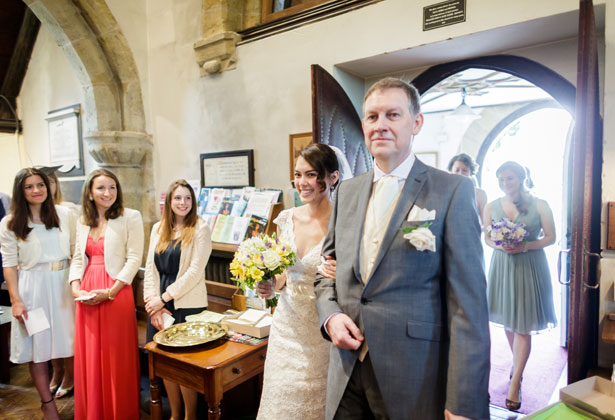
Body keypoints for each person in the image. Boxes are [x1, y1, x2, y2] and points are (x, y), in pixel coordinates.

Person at [314, 77, 491, 420]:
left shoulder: (452, 191)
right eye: (372, 117)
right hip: (347, 368)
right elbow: (326, 272)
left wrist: (463, 401)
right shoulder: (347, 192)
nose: (380, 125)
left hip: (414, 374)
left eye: (393, 115)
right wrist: (330, 316)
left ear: (416, 123)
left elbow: (467, 307)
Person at [255, 143, 345, 420]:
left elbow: (356, 276)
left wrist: (341, 272)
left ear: (332, 177)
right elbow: (284, 274)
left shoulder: (343, 221)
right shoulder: (286, 218)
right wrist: (270, 285)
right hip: (286, 326)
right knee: (280, 401)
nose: (301, 183)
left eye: (310, 174)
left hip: (322, 330)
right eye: (297, 174)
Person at [0, 167, 75, 420]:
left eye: (40, 185)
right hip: (33, 289)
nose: (36, 190)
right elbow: (9, 263)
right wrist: (16, 300)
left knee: (72, 343)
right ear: (20, 191)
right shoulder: (10, 223)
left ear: (48, 187)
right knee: (38, 349)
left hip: (64, 286)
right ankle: (47, 403)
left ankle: (82, 394)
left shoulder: (65, 214)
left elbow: (77, 250)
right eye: (29, 186)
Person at [69, 168, 144, 420]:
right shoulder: (83, 220)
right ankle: (94, 412)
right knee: (91, 355)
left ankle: (118, 411)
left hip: (116, 290)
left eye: (112, 187)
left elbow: (134, 258)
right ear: (90, 192)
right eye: (101, 188)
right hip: (88, 291)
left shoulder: (129, 217)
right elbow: (78, 258)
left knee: (114, 355)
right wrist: (76, 288)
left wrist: (111, 291)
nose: (108, 192)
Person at [483, 161, 557, 411]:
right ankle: (517, 365)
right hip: (503, 266)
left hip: (528, 267)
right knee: (509, 322)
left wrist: (524, 245)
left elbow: (550, 237)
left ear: (522, 177)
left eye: (510, 178)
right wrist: (499, 245)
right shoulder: (492, 206)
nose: (505, 183)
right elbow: (487, 237)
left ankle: (515, 383)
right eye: (501, 179)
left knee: (523, 325)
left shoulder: (540, 205)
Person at [143, 179, 212, 420]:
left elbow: (194, 272)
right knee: (165, 365)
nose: (183, 203)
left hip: (186, 303)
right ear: (169, 202)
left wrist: (163, 298)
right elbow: (150, 270)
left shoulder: (200, 228)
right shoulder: (157, 228)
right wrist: (152, 305)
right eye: (178, 198)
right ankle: (174, 414)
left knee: (184, 368)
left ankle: (190, 416)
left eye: (188, 198)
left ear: (193, 202)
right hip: (159, 303)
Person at [38, 166, 77, 398]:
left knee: (65, 330)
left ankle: (70, 374)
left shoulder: (67, 211)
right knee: (47, 329)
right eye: (38, 183)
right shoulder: (30, 213)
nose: (44, 188)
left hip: (63, 277)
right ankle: (57, 371)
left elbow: (76, 248)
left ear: (55, 185)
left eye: (48, 182)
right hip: (40, 278)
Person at [448, 153, 488, 221]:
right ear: (451, 171)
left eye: (465, 170)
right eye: (457, 170)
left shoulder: (480, 194)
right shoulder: (444, 193)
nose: (460, 173)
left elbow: (485, 222)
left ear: (471, 172)